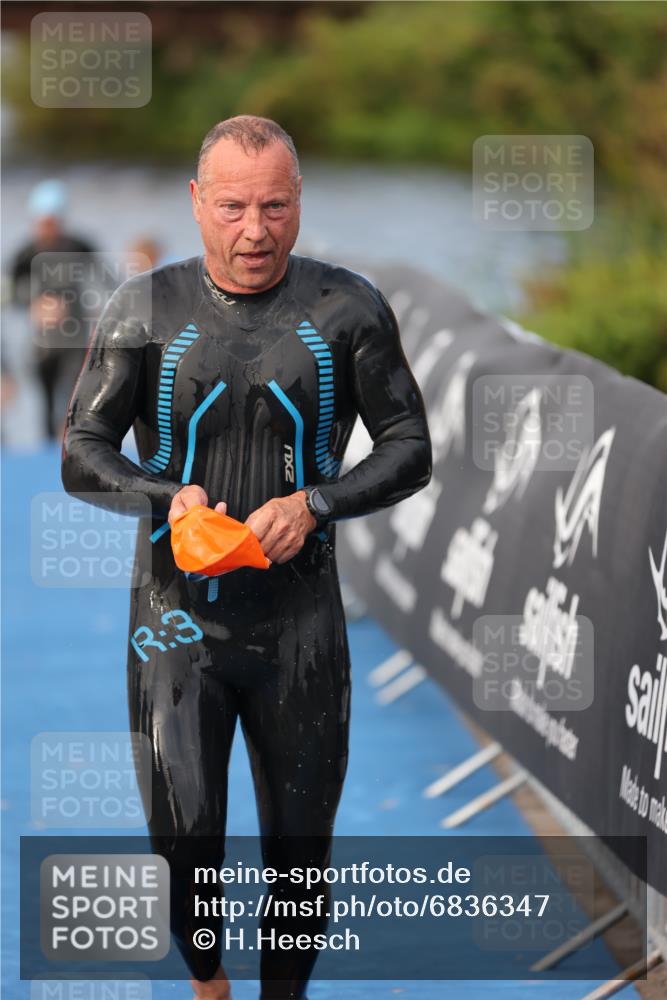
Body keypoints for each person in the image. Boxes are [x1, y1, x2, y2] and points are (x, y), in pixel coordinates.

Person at [61, 116, 431, 1000]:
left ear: (298, 203)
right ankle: (208, 978)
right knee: (185, 843)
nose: (253, 231)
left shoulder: (347, 308)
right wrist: (166, 495)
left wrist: (316, 503)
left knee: (299, 859)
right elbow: (81, 450)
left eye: (273, 206)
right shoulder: (146, 307)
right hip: (174, 620)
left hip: (300, 622)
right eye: (231, 207)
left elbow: (409, 445)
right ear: (197, 204)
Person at [10, 179, 98, 439]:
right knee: (46, 406)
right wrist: (33, 305)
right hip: (42, 343)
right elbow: (10, 294)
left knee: (73, 403)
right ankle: (48, 454)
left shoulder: (79, 247)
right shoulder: (24, 254)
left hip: (75, 339)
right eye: (42, 222)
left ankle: (71, 450)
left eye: (52, 221)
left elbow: (106, 284)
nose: (47, 228)